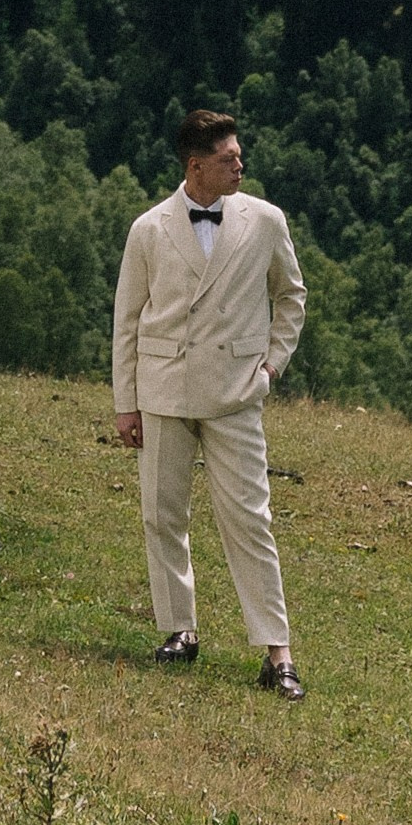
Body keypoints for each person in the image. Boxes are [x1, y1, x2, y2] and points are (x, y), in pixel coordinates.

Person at [109, 107, 308, 697]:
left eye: (239, 155)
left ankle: (278, 655)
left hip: (236, 393)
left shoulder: (265, 221)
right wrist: (127, 402)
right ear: (196, 167)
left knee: (251, 521)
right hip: (164, 390)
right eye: (228, 159)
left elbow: (291, 297)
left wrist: (271, 365)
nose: (241, 164)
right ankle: (179, 629)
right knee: (163, 514)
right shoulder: (149, 229)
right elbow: (127, 321)